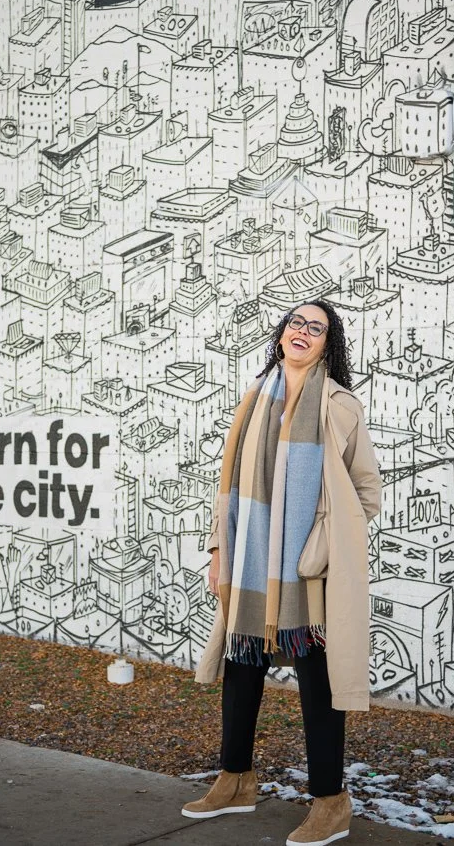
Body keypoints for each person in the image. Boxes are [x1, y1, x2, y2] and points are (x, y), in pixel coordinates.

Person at [182, 300, 382, 846]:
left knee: (318, 681)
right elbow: (227, 490)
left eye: (316, 328)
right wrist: (220, 550)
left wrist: (321, 542)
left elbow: (366, 492)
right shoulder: (252, 401)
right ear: (281, 335)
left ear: (327, 344)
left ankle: (330, 801)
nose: (304, 332)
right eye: (297, 322)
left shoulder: (340, 406)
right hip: (249, 562)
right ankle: (236, 779)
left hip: (309, 571)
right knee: (242, 667)